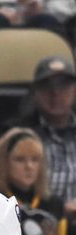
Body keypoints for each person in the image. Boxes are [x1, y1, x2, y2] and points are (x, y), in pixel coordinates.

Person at [0, 127, 69, 235]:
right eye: (20, 159)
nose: (29, 166)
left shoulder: (54, 205)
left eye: (35, 159)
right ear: (3, 162)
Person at [16, 55, 76, 211]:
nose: (55, 93)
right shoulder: (19, 136)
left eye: (63, 86)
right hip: (37, 222)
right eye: (47, 86)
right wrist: (59, 209)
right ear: (34, 92)